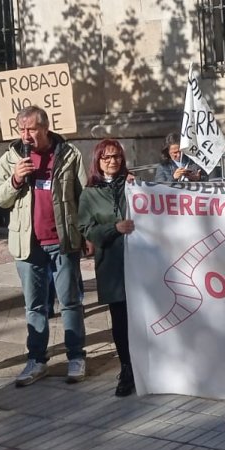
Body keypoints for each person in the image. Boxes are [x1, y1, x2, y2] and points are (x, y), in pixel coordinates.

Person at [0, 106, 88, 386]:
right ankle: (36, 360)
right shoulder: (11, 158)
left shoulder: (69, 155)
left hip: (62, 241)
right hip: (28, 245)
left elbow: (84, 198)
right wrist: (16, 179)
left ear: (45, 128)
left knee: (70, 303)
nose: (26, 135)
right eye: (21, 129)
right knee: (34, 306)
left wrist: (86, 236)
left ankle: (76, 356)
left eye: (31, 129)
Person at [78, 139, 137, 397]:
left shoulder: (133, 185)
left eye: (117, 157)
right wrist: (114, 228)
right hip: (112, 266)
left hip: (140, 263)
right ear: (98, 161)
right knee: (121, 319)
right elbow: (86, 229)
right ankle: (127, 368)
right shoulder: (89, 194)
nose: (113, 162)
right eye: (107, 158)